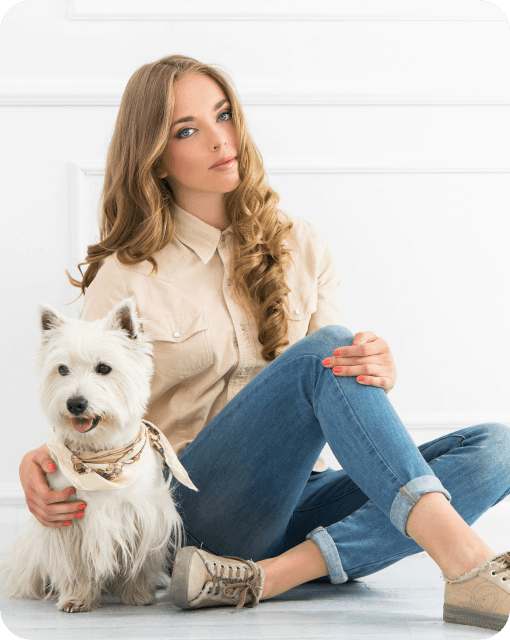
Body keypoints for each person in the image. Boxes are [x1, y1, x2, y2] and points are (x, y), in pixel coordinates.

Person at [19, 54, 510, 630]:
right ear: (154, 157)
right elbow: (89, 393)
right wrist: (40, 458)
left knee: (497, 448)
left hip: (303, 495)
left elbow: (335, 379)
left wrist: (375, 369)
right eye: (187, 130)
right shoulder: (126, 275)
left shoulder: (303, 242)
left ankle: (267, 576)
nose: (219, 139)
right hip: (196, 506)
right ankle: (470, 566)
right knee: (325, 350)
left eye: (224, 115)